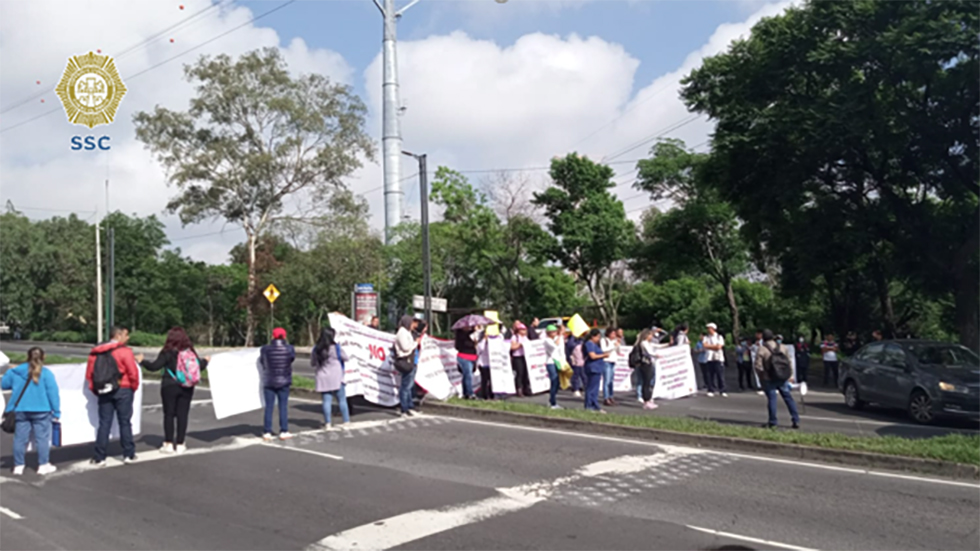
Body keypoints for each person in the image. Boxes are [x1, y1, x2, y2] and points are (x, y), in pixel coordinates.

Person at [140, 327, 210, 454]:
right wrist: (206, 360)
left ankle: (168, 443)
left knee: (169, 414)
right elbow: (199, 366)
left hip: (169, 385)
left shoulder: (167, 352)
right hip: (187, 386)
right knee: (182, 415)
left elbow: (154, 367)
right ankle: (180, 443)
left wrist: (142, 361)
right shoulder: (189, 351)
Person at [87, 326, 142, 466]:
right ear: (118, 336)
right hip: (123, 389)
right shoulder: (125, 352)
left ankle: (100, 457)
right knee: (125, 422)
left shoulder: (96, 352)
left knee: (104, 423)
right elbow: (132, 372)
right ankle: (128, 454)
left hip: (104, 390)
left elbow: (89, 374)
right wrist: (132, 387)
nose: (127, 338)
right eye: (126, 335)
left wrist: (95, 389)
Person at [2, 347, 60, 475]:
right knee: (42, 439)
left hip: (20, 409)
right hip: (42, 410)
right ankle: (43, 464)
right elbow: (53, 394)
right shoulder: (46, 373)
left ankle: (18, 465)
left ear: (27, 356)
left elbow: (3, 385)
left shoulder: (15, 372)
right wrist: (56, 411)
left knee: (20, 439)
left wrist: (9, 372)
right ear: (43, 357)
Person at [754, 329, 800, 429]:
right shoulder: (783, 347)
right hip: (782, 377)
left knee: (772, 399)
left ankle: (773, 422)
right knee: (788, 398)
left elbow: (758, 366)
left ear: (763, 338)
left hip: (769, 377)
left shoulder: (762, 349)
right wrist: (790, 375)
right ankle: (796, 420)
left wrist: (761, 377)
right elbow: (788, 362)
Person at [260, 327, 295, 441]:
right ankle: (284, 430)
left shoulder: (265, 349)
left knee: (269, 407)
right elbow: (291, 359)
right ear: (284, 336)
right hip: (284, 380)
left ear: (273, 336)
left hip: (269, 380)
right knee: (283, 406)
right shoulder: (289, 349)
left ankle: (267, 431)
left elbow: (262, 361)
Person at [312, 327, 350, 430]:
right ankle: (346, 421)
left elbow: (313, 363)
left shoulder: (317, 349)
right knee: (342, 399)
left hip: (323, 376)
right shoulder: (336, 348)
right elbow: (346, 357)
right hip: (336, 376)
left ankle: (327, 423)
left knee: (326, 401)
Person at [395, 315, 420, 416]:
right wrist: (415, 343)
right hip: (405, 360)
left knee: (409, 386)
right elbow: (406, 347)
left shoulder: (407, 332)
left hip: (411, 361)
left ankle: (409, 406)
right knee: (405, 386)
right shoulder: (402, 332)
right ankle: (404, 408)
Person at [583, 329, 609, 413]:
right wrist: (603, 355)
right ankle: (589, 405)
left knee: (595, 388)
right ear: (592, 337)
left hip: (597, 367)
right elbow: (592, 356)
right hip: (592, 368)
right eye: (597, 337)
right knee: (591, 388)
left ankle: (595, 404)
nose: (598, 339)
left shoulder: (595, 345)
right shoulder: (589, 344)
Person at [454, 325, 479, 400]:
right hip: (464, 357)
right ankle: (470, 393)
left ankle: (465, 393)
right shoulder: (461, 335)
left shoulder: (473, 334)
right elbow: (459, 346)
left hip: (472, 357)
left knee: (466, 375)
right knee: (468, 375)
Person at [543, 325, 565, 409]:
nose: (555, 333)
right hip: (550, 362)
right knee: (554, 381)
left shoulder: (557, 338)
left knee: (557, 382)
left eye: (556, 331)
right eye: (553, 332)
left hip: (558, 361)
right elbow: (554, 346)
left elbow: (561, 348)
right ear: (548, 333)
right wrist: (559, 336)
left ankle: (552, 400)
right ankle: (552, 402)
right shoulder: (547, 340)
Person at [702, 323, 727, 397]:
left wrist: (710, 346)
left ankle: (722, 390)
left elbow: (719, 347)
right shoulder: (706, 337)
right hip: (709, 358)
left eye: (709, 328)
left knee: (720, 375)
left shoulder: (719, 337)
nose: (708, 330)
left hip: (718, 358)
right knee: (710, 375)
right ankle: (711, 389)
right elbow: (704, 345)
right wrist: (714, 346)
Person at [477, 326, 499, 400]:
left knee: (491, 380)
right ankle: (484, 395)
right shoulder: (481, 342)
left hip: (491, 363)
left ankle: (491, 394)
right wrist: (484, 339)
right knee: (484, 380)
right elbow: (480, 349)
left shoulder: (492, 343)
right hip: (483, 363)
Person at [510, 322, 532, 396]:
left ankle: (526, 388)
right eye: (522, 330)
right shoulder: (515, 337)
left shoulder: (525, 338)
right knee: (520, 373)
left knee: (526, 373)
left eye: (525, 330)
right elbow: (512, 347)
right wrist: (520, 344)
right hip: (517, 357)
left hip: (525, 356)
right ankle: (519, 389)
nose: (524, 331)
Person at [600, 326, 619, 406]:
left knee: (611, 381)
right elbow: (604, 350)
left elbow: (617, 351)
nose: (614, 335)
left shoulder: (614, 341)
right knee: (607, 381)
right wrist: (613, 346)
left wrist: (617, 345)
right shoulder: (604, 340)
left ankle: (611, 396)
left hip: (613, 361)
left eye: (615, 333)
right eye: (613, 333)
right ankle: (606, 397)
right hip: (606, 361)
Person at [566, 330, 586, 397]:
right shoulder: (572, 341)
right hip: (575, 361)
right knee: (575, 376)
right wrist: (572, 336)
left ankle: (586, 388)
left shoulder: (582, 340)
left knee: (584, 376)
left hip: (583, 361)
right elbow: (570, 345)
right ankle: (576, 389)